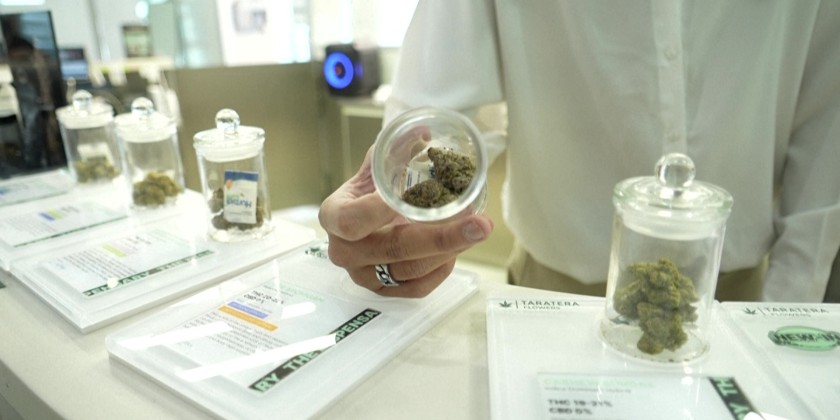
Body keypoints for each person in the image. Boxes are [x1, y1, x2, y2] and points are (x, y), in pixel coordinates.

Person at [319, 0, 840, 302]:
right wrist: (402, 216)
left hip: (738, 291)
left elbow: (827, 119)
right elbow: (438, 113)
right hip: (553, 291)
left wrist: (788, 308)